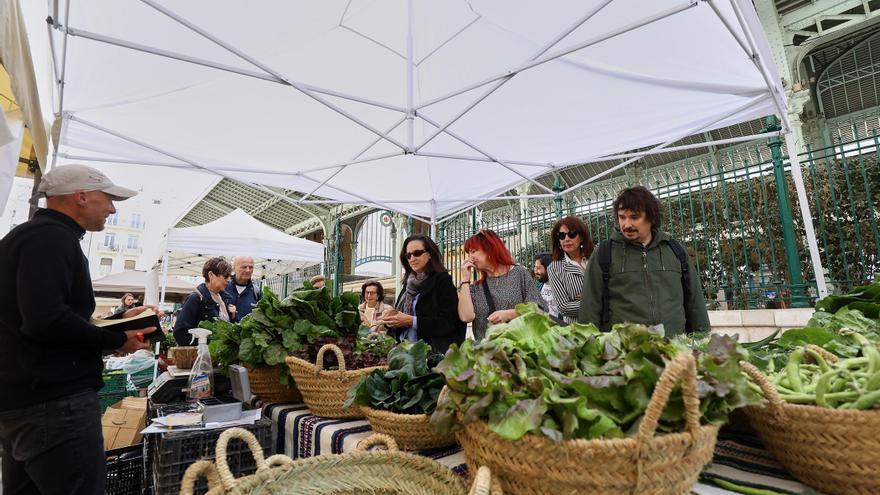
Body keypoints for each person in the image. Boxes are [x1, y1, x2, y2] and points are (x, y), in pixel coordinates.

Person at [0, 164, 159, 495]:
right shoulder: (51, 239)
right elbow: (46, 320)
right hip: (54, 405)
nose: (113, 209)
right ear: (81, 197)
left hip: (26, 401)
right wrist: (114, 338)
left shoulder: (25, 238)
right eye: (108, 199)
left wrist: (115, 327)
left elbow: (38, 317)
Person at [578, 186, 710, 336]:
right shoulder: (604, 253)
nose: (626, 224)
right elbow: (590, 307)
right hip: (624, 352)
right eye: (622, 217)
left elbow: (694, 301)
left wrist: (702, 339)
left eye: (634, 217)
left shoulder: (674, 250)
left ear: (651, 217)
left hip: (673, 349)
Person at [457, 230, 546, 341]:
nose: (470, 258)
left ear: (490, 249)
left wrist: (511, 314)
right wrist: (465, 280)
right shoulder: (476, 287)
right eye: (468, 254)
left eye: (473, 251)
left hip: (519, 350)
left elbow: (540, 308)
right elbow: (466, 317)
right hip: (487, 353)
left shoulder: (519, 273)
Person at [382, 234, 465, 353]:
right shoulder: (408, 283)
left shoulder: (442, 281)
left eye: (417, 253)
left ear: (430, 254)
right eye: (408, 255)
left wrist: (411, 320)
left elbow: (449, 322)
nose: (412, 258)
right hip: (405, 351)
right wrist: (392, 320)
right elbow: (401, 320)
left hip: (431, 354)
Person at [173, 257, 235, 345]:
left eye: (230, 276)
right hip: (201, 356)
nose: (229, 279)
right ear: (211, 275)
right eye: (225, 275)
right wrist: (206, 344)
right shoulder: (196, 298)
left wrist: (232, 317)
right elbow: (180, 333)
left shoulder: (224, 298)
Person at [547, 216, 594, 323]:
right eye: (562, 236)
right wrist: (596, 301)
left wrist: (584, 299)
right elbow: (563, 307)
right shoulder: (554, 268)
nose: (566, 239)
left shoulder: (597, 258)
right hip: (578, 330)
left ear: (581, 237)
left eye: (572, 234)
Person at [224, 255, 261, 321]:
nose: (248, 270)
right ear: (234, 268)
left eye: (251, 267)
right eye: (244, 267)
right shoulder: (223, 287)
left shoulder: (257, 292)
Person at [533, 252, 560, 321]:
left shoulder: (562, 286)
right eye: (535, 268)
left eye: (538, 268)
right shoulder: (538, 285)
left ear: (549, 268)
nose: (535, 272)